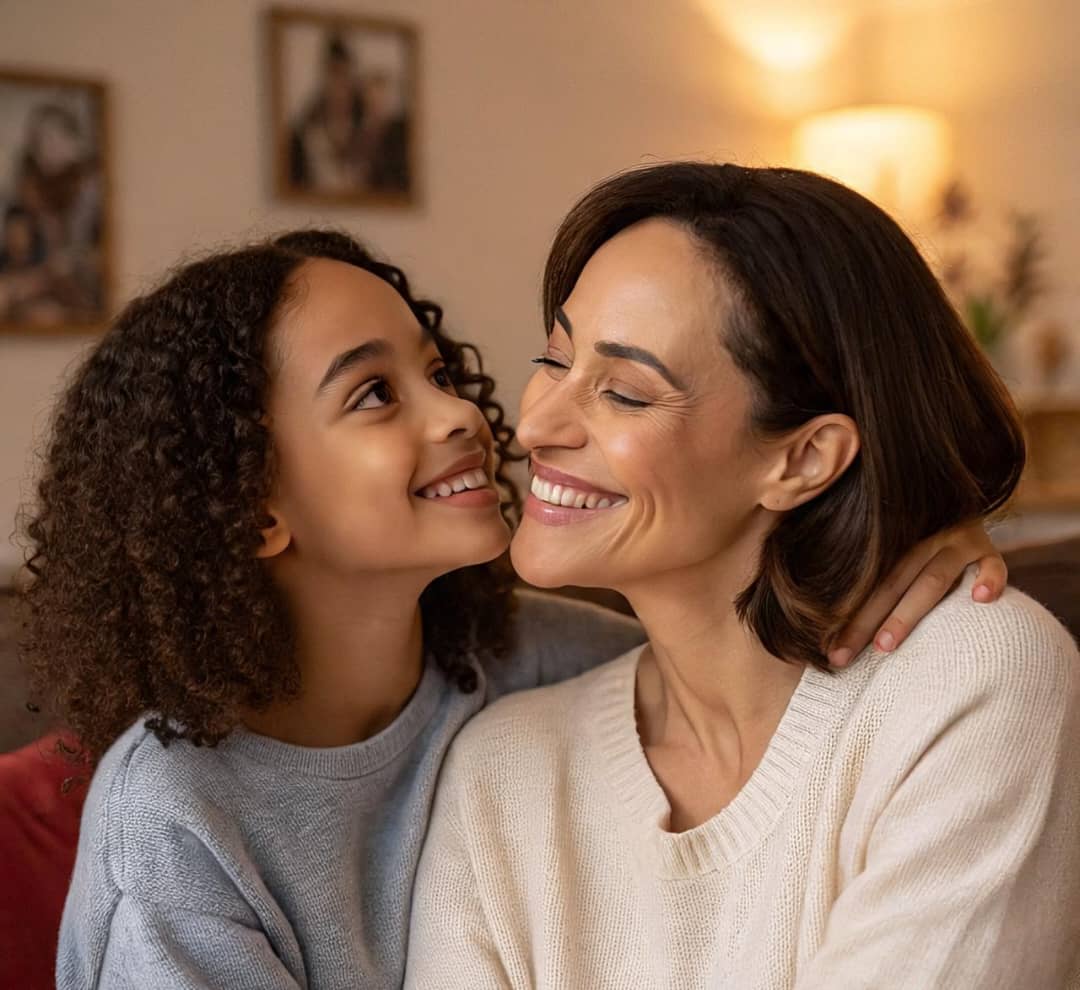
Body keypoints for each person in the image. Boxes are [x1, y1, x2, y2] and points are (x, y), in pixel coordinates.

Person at [19, 227, 1002, 990]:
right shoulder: (172, 822)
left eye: (438, 373)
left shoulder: (540, 659)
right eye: (373, 395)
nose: (464, 416)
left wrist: (919, 536)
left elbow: (776, 681)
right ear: (253, 504)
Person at [405, 164, 1080, 989]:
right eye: (554, 356)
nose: (533, 423)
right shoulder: (504, 772)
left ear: (803, 459)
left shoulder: (970, 679)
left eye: (622, 392)